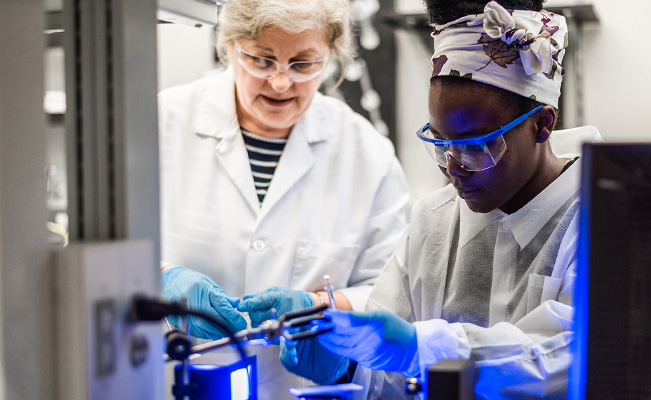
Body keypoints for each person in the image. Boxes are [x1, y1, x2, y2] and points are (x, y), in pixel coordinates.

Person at [282, 0, 603, 398]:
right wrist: (346, 365)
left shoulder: (601, 219)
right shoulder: (433, 220)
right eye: (440, 142)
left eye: (477, 145)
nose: (454, 167)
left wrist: (422, 349)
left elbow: (570, 357)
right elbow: (390, 373)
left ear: (542, 124)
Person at [157, 0, 410, 397]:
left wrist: (322, 306)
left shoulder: (368, 154)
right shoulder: (160, 122)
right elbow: (100, 254)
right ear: (229, 47)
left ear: (330, 56)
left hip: (301, 388)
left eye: (303, 63)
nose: (280, 82)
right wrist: (162, 279)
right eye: (261, 59)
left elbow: (394, 294)